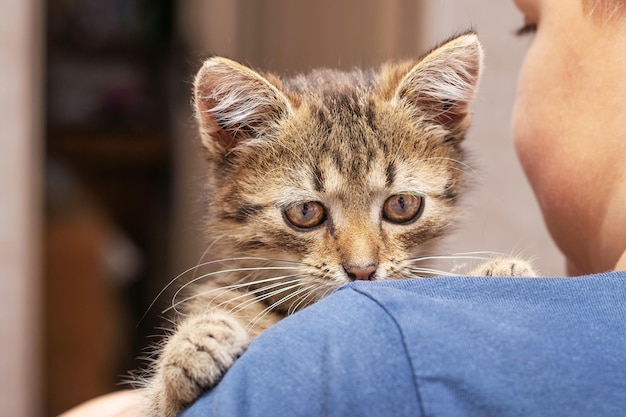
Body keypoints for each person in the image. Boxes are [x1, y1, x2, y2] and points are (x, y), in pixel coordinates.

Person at [60, 0, 626, 415]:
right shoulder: (229, 316)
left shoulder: (396, 332)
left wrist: (486, 306)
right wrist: (168, 391)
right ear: (232, 141)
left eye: (400, 208)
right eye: (307, 214)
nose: (361, 259)